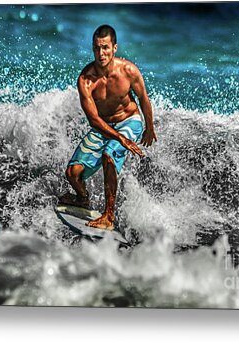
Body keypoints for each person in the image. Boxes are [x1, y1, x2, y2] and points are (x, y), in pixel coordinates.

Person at [59, 25, 157, 230]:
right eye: (96, 48)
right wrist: (121, 139)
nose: (100, 53)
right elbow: (94, 120)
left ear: (114, 48)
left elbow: (143, 99)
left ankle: (108, 216)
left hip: (129, 120)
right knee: (72, 173)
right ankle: (82, 198)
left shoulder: (128, 71)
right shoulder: (86, 80)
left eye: (105, 48)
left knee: (109, 155)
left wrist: (149, 128)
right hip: (103, 126)